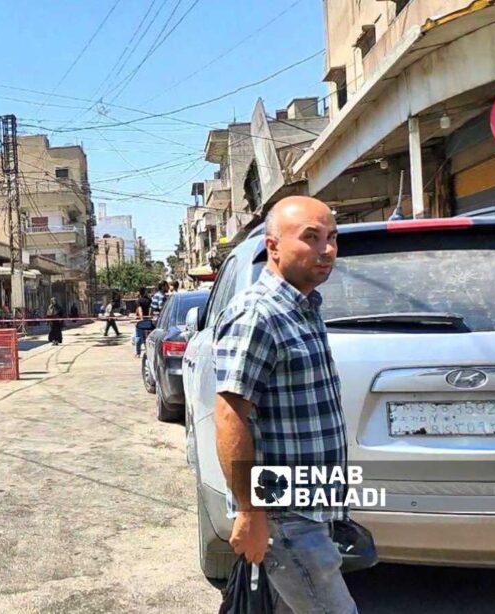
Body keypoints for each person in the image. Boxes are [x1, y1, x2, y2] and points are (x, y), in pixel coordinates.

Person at [212, 196, 354, 613]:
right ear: (272, 246)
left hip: (310, 505)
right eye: (310, 237)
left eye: (331, 238)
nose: (326, 250)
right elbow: (230, 413)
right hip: (283, 514)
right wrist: (251, 512)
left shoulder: (304, 307)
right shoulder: (258, 314)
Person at [134, 288, 153, 357]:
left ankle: (138, 353)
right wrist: (150, 317)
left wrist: (141, 319)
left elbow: (139, 310)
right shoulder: (149, 300)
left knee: (138, 336)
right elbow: (151, 309)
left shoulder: (139, 301)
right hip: (148, 319)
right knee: (147, 336)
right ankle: (148, 352)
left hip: (141, 320)